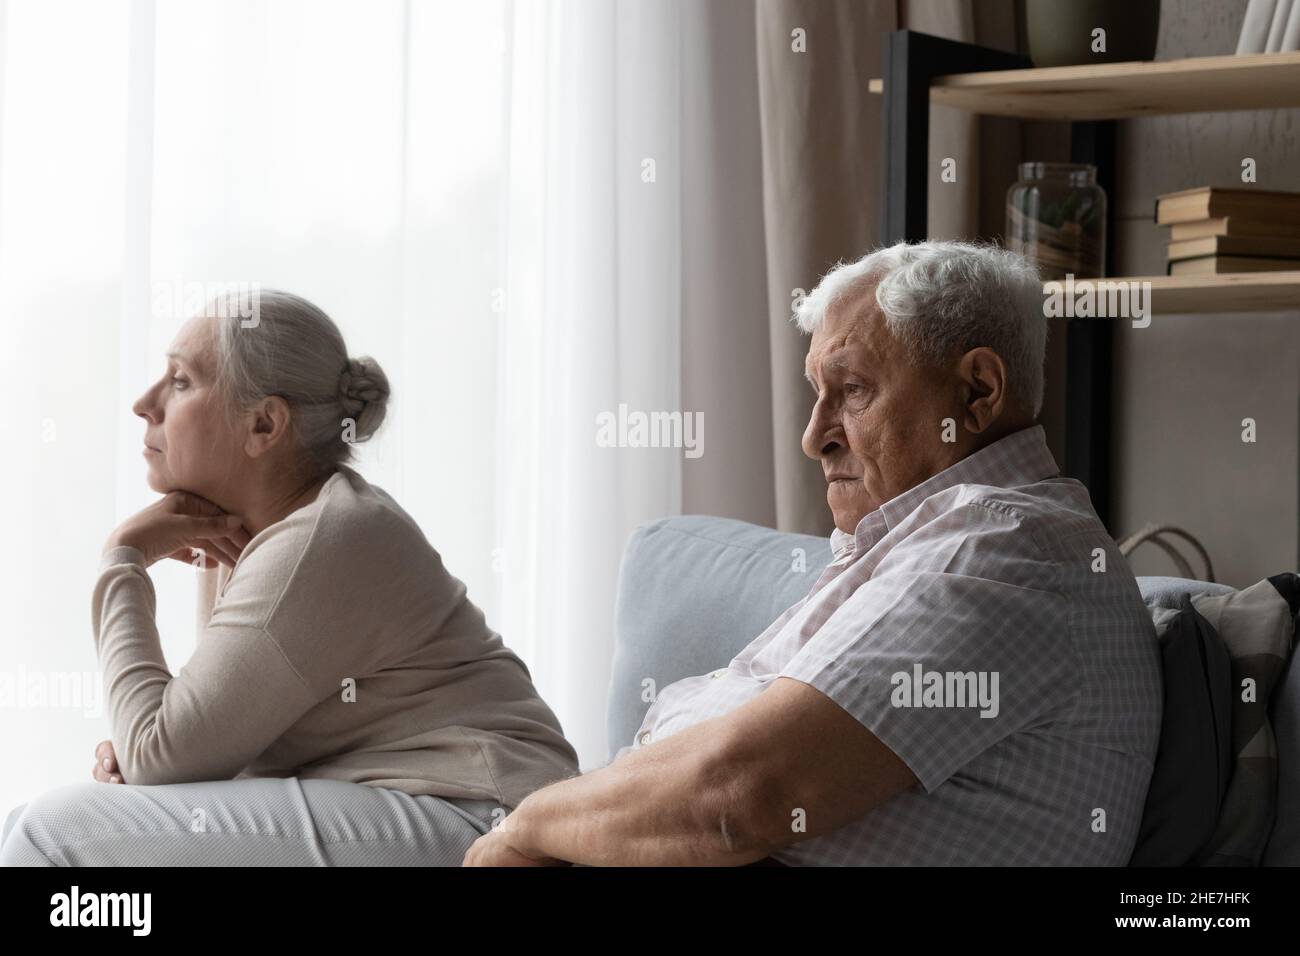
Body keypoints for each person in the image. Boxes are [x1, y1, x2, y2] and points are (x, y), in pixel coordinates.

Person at [463, 240, 1162, 867]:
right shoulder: (915, 548)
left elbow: (737, 795)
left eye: (852, 390)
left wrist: (525, 827)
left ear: (977, 393)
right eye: (817, 394)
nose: (813, 436)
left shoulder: (1005, 553)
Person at [1, 289, 578, 866]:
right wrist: (148, 747)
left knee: (48, 835)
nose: (144, 403)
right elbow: (193, 751)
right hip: (414, 801)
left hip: (485, 818)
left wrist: (123, 557)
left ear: (263, 424)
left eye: (180, 381)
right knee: (21, 824)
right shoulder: (262, 535)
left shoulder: (325, 537)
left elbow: (159, 754)